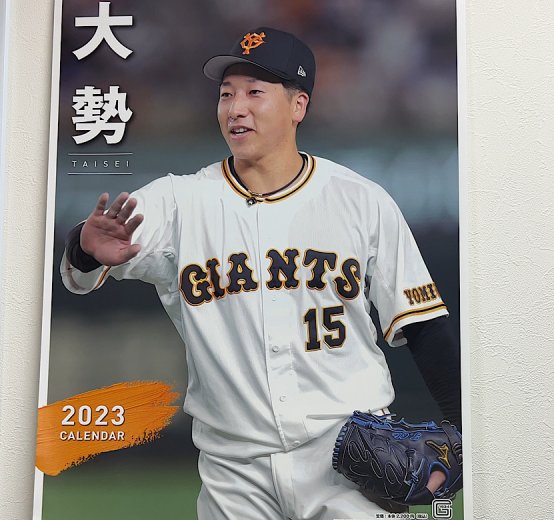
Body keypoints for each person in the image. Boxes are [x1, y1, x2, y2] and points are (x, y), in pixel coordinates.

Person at [61, 27, 461, 519]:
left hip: (349, 457)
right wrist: (86, 248)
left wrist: (466, 433)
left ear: (298, 106)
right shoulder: (179, 200)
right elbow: (86, 265)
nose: (236, 108)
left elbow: (423, 325)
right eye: (226, 94)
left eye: (254, 92)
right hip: (234, 470)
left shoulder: (361, 200)